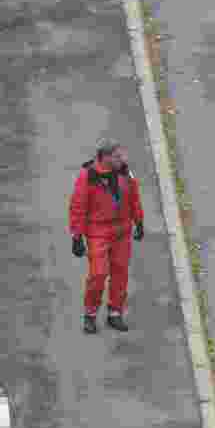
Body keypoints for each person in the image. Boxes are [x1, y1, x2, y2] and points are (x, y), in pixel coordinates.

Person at [69, 138, 145, 334]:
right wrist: (76, 236)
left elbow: (134, 197)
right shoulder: (88, 176)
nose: (123, 159)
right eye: (117, 156)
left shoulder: (125, 173)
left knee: (120, 273)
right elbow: (77, 207)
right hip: (98, 232)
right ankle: (90, 314)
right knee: (98, 274)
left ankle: (115, 313)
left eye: (122, 155)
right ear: (104, 157)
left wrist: (139, 221)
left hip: (122, 231)